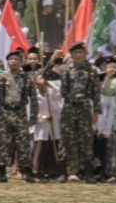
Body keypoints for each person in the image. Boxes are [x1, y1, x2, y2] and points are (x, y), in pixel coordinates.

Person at [44, 42, 102, 182]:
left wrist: (96, 112)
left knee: (86, 140)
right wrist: (52, 59)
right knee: (66, 140)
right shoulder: (64, 69)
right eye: (75, 52)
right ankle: (63, 172)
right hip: (69, 107)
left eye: (80, 52)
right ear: (71, 54)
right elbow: (46, 74)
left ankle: (88, 173)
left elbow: (96, 93)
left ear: (84, 54)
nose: (77, 55)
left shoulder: (92, 70)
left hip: (85, 107)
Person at [0, 50, 38, 183]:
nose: (13, 61)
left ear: (21, 62)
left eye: (16, 59)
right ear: (7, 62)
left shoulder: (26, 78)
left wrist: (34, 115)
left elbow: (33, 98)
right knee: (3, 143)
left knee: (23, 143)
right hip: (5, 113)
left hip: (20, 113)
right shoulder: (2, 76)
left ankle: (27, 172)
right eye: (10, 59)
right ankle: (2, 172)